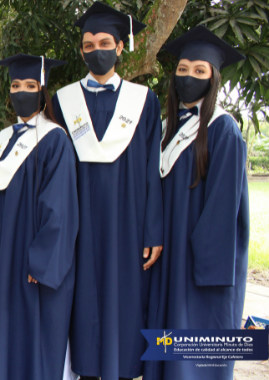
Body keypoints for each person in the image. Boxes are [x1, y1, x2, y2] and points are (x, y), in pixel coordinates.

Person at [50, 2, 163, 379]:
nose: (95, 50)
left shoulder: (143, 101)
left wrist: (152, 230)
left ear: (119, 46)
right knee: (82, 301)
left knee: (123, 298)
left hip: (126, 222)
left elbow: (152, 171)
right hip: (79, 222)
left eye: (103, 42)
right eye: (87, 44)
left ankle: (122, 369)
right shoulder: (63, 102)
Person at [144, 25, 249, 380]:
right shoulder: (166, 128)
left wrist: (195, 259)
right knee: (166, 347)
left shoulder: (223, 130)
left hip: (199, 264)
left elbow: (223, 210)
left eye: (199, 71)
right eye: (183, 69)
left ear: (213, 78)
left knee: (194, 355)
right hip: (168, 255)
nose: (189, 77)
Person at [0, 53, 79, 380]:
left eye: (30, 85)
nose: (21, 92)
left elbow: (60, 206)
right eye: (16, 85)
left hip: (29, 261)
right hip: (1, 255)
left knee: (27, 338)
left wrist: (42, 260)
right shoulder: (4, 138)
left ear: (42, 90)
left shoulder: (54, 139)